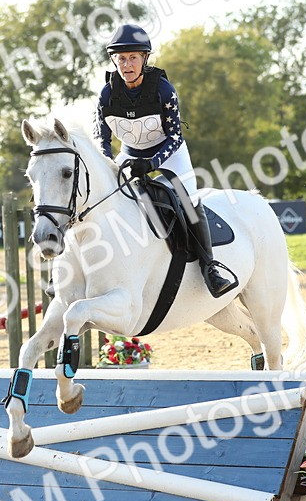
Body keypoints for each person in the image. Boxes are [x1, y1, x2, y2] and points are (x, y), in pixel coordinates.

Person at [95, 23, 237, 297]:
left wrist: (151, 164)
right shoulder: (107, 94)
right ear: (114, 60)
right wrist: (109, 164)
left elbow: (174, 136)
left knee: (189, 199)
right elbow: (101, 140)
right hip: (129, 154)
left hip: (169, 154)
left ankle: (210, 267)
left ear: (144, 58)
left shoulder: (163, 90)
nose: (127, 64)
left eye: (133, 57)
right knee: (106, 200)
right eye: (121, 58)